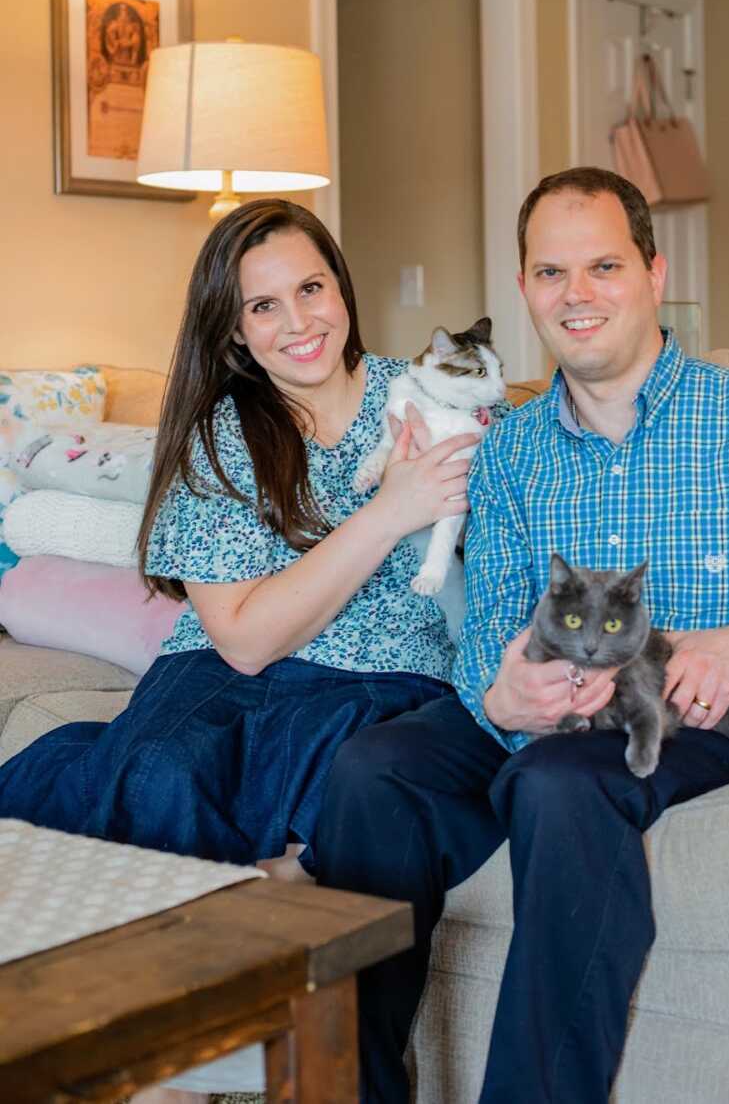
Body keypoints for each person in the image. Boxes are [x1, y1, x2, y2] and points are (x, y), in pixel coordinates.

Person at [314, 167, 729, 1103]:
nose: (575, 295)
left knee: (560, 785)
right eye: (551, 273)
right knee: (369, 771)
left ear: (654, 273)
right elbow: (497, 620)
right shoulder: (507, 451)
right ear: (524, 290)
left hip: (711, 719)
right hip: (548, 706)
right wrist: (495, 691)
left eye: (602, 266)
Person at [0, 198, 479, 868]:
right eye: (263, 306)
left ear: (341, 286)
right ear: (234, 331)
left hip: (385, 679)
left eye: (311, 288)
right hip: (220, 676)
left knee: (343, 789)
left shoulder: (433, 396)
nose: (298, 322)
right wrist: (389, 511)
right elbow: (246, 641)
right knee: (159, 777)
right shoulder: (222, 438)